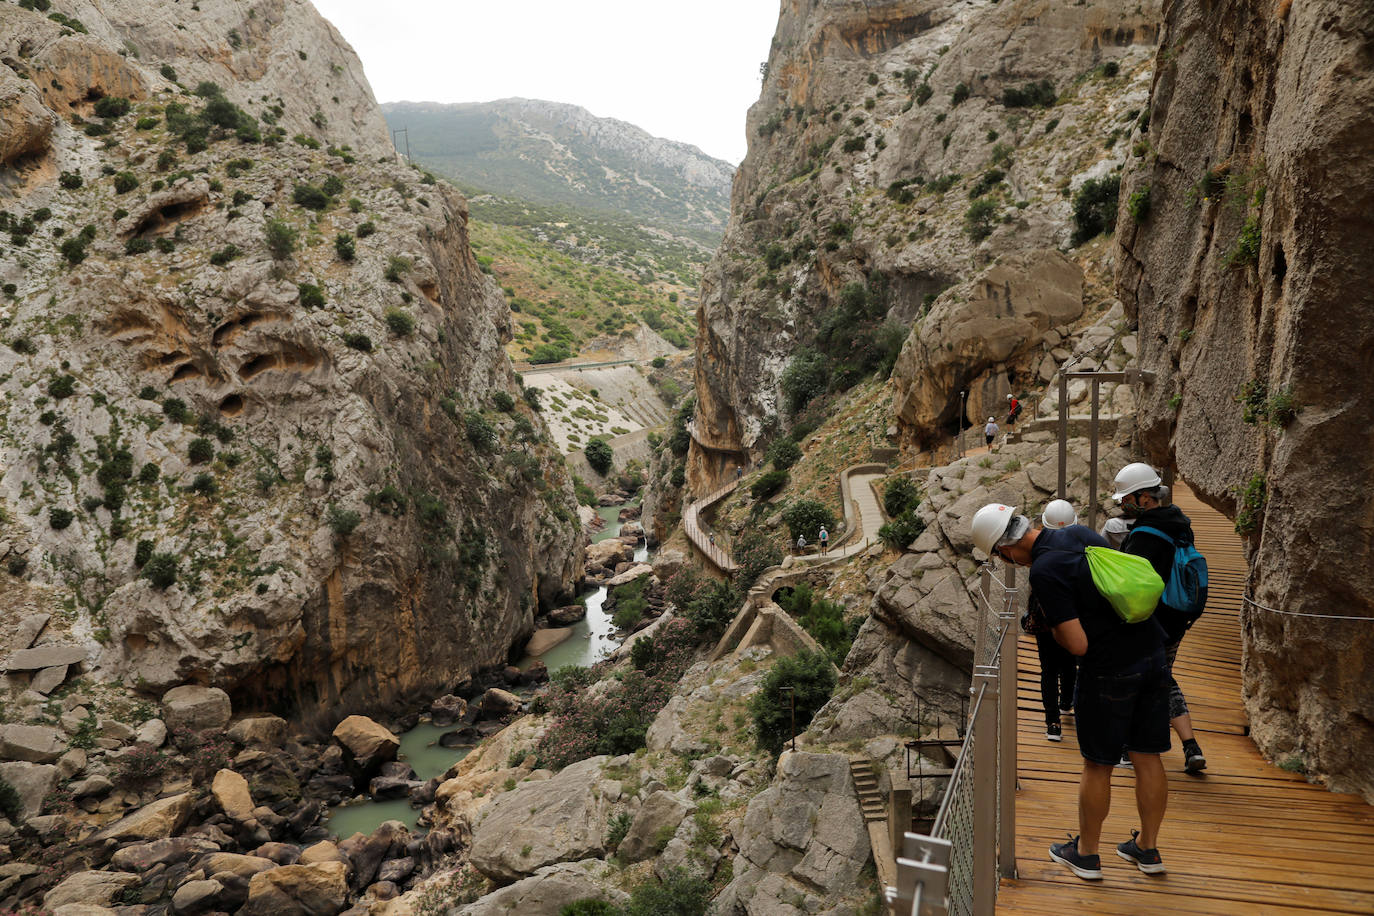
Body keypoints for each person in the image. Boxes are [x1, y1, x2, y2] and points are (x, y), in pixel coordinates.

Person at [971, 502, 1170, 880]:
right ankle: (1147, 848)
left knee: (1098, 764)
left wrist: (1056, 629)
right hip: (1152, 652)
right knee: (1148, 756)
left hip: (1109, 670)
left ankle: (1086, 854)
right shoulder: (1078, 533)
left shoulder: (1044, 572)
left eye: (1003, 559)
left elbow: (1077, 644)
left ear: (1007, 550)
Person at [1113, 464, 1207, 774]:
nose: (1122, 503)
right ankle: (1190, 745)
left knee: (1133, 677)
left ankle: (1128, 747)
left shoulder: (1144, 534)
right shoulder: (1179, 522)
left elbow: (1135, 584)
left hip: (1150, 620)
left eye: (1126, 497)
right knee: (1163, 675)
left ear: (1143, 498)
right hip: (1178, 618)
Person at [1032, 499, 1080, 741]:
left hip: (1044, 619)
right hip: (1071, 616)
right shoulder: (1079, 547)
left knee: (1048, 670)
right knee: (1069, 662)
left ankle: (1053, 723)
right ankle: (1067, 700)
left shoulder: (1041, 549)